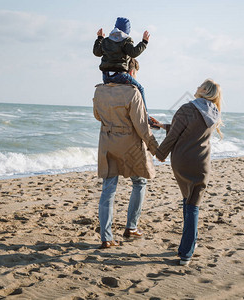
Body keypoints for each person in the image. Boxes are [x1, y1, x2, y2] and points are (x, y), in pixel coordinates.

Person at [154, 79, 223, 265]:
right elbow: (190, 131)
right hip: (202, 163)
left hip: (182, 161)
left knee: (189, 201)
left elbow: (177, 134)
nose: (197, 87)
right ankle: (188, 247)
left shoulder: (187, 108)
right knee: (193, 202)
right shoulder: (214, 112)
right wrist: (162, 126)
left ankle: (186, 251)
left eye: (200, 85)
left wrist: (160, 153)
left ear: (205, 90)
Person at [93, 58, 159, 249]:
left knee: (108, 188)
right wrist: (155, 148)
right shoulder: (133, 92)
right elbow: (142, 127)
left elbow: (97, 116)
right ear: (131, 73)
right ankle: (131, 227)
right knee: (139, 182)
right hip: (130, 145)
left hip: (108, 143)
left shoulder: (99, 90)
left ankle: (106, 237)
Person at [93, 17, 158, 129]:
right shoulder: (126, 40)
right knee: (140, 89)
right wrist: (144, 42)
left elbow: (96, 52)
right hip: (120, 76)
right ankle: (146, 118)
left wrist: (99, 38)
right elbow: (134, 52)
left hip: (106, 76)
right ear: (127, 30)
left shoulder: (106, 40)